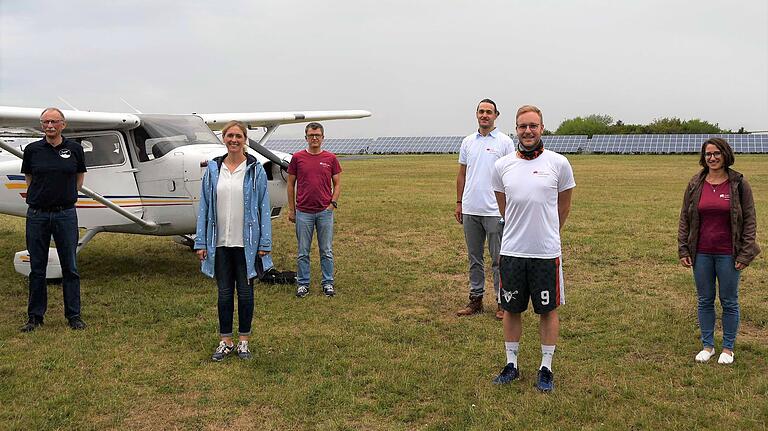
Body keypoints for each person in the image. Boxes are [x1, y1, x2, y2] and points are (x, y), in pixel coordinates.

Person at [490, 105, 575, 392]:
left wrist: (548, 231)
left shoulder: (559, 163)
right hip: (513, 251)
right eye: (523, 126)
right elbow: (505, 208)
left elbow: (563, 206)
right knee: (511, 309)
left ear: (542, 128)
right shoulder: (502, 166)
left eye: (533, 126)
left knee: (547, 310)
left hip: (546, 253)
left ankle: (546, 367)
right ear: (516, 128)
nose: (528, 131)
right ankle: (511, 364)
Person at [195, 121, 273, 361]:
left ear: (245, 139)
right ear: (223, 138)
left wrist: (264, 243)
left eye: (238, 136)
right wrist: (200, 241)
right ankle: (225, 340)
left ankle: (243, 342)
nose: (234, 140)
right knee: (225, 293)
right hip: (220, 243)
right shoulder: (213, 169)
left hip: (246, 244)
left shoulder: (255, 169)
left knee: (246, 293)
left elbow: (263, 206)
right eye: (229, 136)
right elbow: (205, 206)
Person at [678, 138, 760, 365]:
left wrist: (745, 254)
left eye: (716, 153)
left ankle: (728, 348)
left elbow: (750, 220)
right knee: (704, 300)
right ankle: (708, 346)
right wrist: (683, 247)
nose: (712, 158)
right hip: (701, 253)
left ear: (725, 154)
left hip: (729, 253)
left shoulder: (739, 183)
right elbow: (685, 217)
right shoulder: (696, 183)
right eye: (708, 154)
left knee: (729, 301)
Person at [20, 107, 87, 332]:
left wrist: (65, 197)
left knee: (70, 266)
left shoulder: (75, 149)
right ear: (42, 125)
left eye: (54, 122)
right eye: (45, 122)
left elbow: (79, 178)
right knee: (37, 268)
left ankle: (74, 315)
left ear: (63, 125)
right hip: (37, 214)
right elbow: (29, 177)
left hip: (65, 213)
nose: (49, 126)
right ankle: (35, 317)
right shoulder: (32, 150)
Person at [455, 99, 514, 320]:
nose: (485, 115)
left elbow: (511, 176)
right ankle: (475, 299)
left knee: (499, 259)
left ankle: (503, 302)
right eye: (481, 111)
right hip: (471, 209)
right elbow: (462, 174)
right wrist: (459, 202)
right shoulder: (468, 142)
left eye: (489, 112)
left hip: (495, 211)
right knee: (474, 258)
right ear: (476, 114)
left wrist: (509, 208)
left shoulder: (505, 142)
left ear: (496, 115)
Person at [287, 122, 341, 298]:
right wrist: (291, 210)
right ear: (306, 138)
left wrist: (332, 204)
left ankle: (328, 283)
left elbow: (337, 183)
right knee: (303, 251)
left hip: (325, 212)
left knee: (326, 250)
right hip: (303, 212)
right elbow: (290, 184)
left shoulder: (331, 158)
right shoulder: (297, 158)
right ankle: (303, 283)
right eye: (311, 135)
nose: (314, 138)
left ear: (323, 137)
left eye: (317, 135)